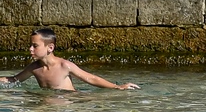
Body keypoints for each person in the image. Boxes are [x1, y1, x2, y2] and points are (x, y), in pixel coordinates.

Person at [1, 29, 138, 91]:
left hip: (70, 101)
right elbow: (14, 80)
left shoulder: (64, 66)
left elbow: (91, 79)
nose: (30, 49)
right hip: (48, 103)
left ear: (50, 47)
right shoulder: (34, 68)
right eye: (30, 46)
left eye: (35, 46)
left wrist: (117, 87)